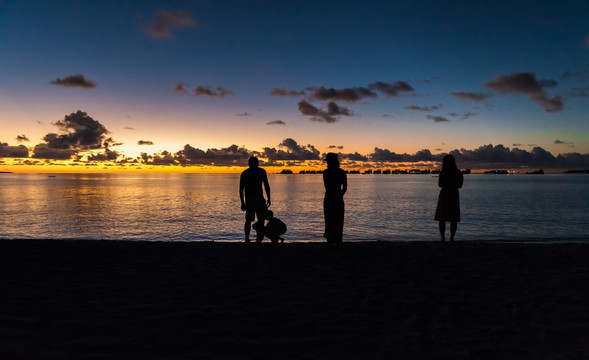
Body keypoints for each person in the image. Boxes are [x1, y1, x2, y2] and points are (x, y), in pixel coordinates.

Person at [240, 156, 271, 243]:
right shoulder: (257, 172)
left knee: (254, 220)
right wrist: (269, 198)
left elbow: (266, 185)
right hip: (254, 200)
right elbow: (241, 189)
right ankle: (252, 238)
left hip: (256, 200)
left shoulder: (248, 173)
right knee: (255, 220)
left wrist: (242, 202)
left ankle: (252, 238)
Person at [434, 154, 464, 242]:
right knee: (453, 218)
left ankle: (442, 237)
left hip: (444, 194)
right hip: (454, 194)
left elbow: (440, 185)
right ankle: (452, 237)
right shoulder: (458, 173)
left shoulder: (443, 172)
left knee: (442, 218)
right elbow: (460, 185)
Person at [323, 152, 347, 246]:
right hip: (337, 197)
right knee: (338, 220)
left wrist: (337, 195)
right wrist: (340, 195)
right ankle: (336, 241)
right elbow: (344, 188)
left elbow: (327, 187)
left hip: (329, 197)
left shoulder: (326, 172)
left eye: (328, 161)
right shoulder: (341, 172)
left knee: (329, 220)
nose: (327, 163)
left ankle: (330, 241)